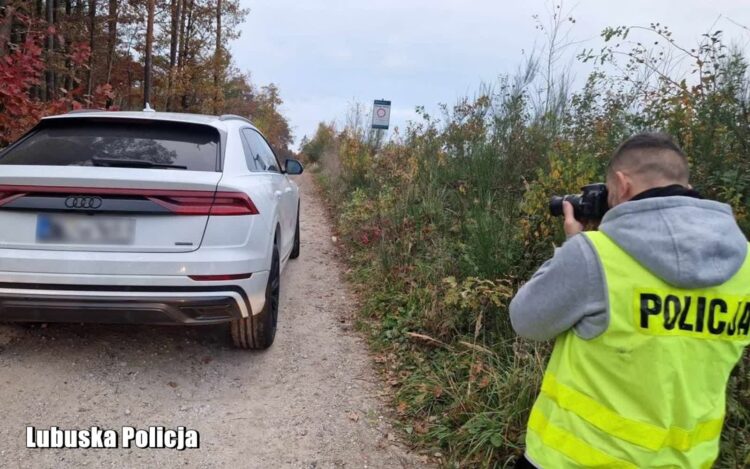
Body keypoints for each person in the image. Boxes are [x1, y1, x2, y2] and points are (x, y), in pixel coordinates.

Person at [509, 133, 750, 468]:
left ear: (622, 185)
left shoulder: (596, 254)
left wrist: (573, 247)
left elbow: (526, 320)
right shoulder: (745, 265)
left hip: (574, 460)